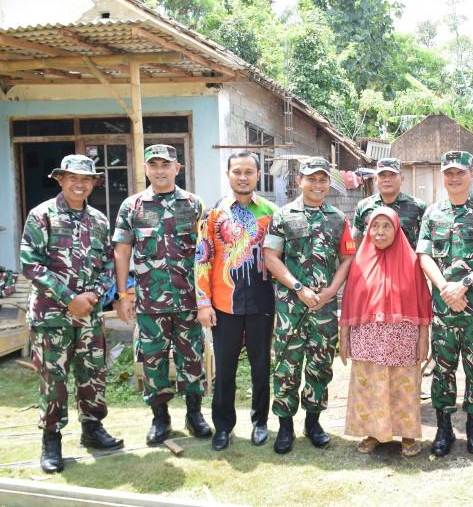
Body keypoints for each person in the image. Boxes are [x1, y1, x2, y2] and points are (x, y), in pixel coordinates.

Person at [20, 155, 123, 473]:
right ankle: (51, 439)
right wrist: (69, 299)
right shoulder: (42, 215)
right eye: (73, 178)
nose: (80, 184)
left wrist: (95, 295)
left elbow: (109, 263)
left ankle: (92, 428)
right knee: (54, 379)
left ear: (93, 183)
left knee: (92, 373)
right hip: (51, 316)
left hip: (89, 315)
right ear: (61, 179)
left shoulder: (99, 221)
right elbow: (30, 263)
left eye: (86, 179)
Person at [113, 144, 211, 446]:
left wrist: (206, 298)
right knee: (153, 360)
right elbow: (122, 251)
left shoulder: (194, 204)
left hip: (189, 301)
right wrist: (123, 294)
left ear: (177, 168)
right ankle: (160, 418)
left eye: (165, 165)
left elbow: (206, 252)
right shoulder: (132, 206)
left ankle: (194, 414)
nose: (159, 171)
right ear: (145, 169)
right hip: (150, 302)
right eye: (153, 165)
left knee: (192, 358)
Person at [416, 150, 473, 457]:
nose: (454, 178)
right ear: (443, 176)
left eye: (460, 172)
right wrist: (445, 288)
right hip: (444, 308)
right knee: (442, 369)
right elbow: (424, 255)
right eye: (449, 173)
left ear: (472, 175)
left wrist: (464, 284)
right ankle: (443, 428)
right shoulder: (432, 213)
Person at [265, 157, 357, 454]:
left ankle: (313, 423)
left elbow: (347, 259)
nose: (317, 185)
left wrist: (331, 291)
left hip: (324, 309)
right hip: (291, 309)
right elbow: (271, 257)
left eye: (322, 179)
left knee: (320, 366)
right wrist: (298, 287)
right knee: (286, 368)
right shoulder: (283, 215)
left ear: (329, 183)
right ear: (299, 181)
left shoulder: (338, 219)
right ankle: (285, 426)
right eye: (311, 179)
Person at [195, 151, 280, 450]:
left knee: (261, 367)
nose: (243, 177)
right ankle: (223, 427)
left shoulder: (272, 213)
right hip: (224, 305)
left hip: (262, 302)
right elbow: (203, 259)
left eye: (248, 172)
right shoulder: (214, 214)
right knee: (224, 370)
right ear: (228, 174)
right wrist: (203, 302)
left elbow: (281, 258)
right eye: (237, 172)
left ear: (258, 175)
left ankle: (260, 422)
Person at [339, 207, 432, 457]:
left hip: (403, 339)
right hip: (367, 338)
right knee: (370, 386)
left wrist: (424, 340)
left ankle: (408, 435)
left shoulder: (411, 261)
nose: (380, 232)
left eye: (386, 226)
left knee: (404, 387)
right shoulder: (359, 262)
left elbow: (423, 301)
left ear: (397, 229)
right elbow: (349, 301)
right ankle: (373, 433)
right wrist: (344, 339)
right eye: (375, 226)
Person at [352, 158, 427, 247]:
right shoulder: (363, 206)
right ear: (375, 179)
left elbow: (425, 243)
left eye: (392, 175)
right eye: (382, 175)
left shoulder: (418, 207)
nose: (387, 179)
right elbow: (357, 239)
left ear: (402, 178)